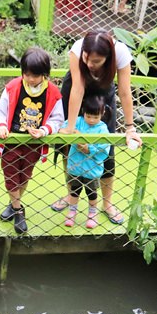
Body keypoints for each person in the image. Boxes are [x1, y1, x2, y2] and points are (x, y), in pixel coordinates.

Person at [55, 31, 141, 225]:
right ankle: (71, 195)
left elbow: (125, 92)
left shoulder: (120, 52)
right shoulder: (77, 50)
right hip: (75, 96)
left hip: (103, 99)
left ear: (108, 57)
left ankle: (107, 203)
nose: (89, 64)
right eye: (87, 58)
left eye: (96, 61)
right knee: (69, 148)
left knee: (106, 150)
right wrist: (70, 127)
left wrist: (130, 128)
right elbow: (78, 87)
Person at [0, 47, 64, 235]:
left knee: (24, 177)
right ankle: (18, 211)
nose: (31, 79)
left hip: (34, 144)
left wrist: (44, 130)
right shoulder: (13, 87)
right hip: (12, 141)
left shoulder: (53, 93)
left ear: (45, 74)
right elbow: (1, 111)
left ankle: (13, 204)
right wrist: (1, 126)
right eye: (27, 74)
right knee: (10, 176)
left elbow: (57, 119)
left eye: (35, 75)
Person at [62, 94, 111, 229]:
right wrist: (72, 133)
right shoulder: (77, 121)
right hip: (75, 166)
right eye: (88, 116)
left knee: (92, 193)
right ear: (83, 111)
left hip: (92, 168)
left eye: (95, 117)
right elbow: (64, 128)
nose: (91, 120)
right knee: (74, 190)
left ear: (102, 113)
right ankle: (72, 212)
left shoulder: (102, 128)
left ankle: (92, 214)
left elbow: (104, 146)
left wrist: (89, 149)